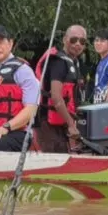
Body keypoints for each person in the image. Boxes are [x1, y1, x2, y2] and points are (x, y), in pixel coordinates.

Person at [34, 25, 87, 153]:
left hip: (60, 123)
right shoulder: (58, 62)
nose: (78, 44)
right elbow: (56, 97)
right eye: (74, 40)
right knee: (53, 163)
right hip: (47, 123)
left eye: (82, 41)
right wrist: (71, 124)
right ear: (64, 40)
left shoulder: (73, 62)